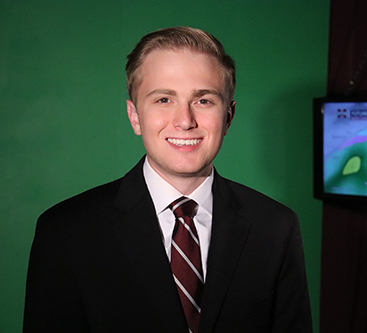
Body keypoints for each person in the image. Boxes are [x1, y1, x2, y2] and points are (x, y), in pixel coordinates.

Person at [24, 27, 312, 333]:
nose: (185, 121)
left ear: (228, 116)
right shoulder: (66, 231)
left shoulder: (276, 227)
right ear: (135, 116)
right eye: (164, 99)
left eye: (203, 101)